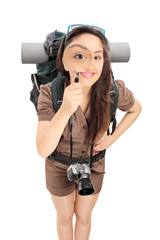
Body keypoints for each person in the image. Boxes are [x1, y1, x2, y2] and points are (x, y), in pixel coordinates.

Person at [36, 24, 142, 240]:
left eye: (97, 57)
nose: (89, 65)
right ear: (64, 61)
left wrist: (113, 138)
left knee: (84, 217)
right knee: (64, 217)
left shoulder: (113, 90)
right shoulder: (50, 92)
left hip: (93, 164)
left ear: (104, 62)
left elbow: (135, 109)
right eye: (79, 55)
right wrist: (65, 109)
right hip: (58, 164)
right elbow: (43, 149)